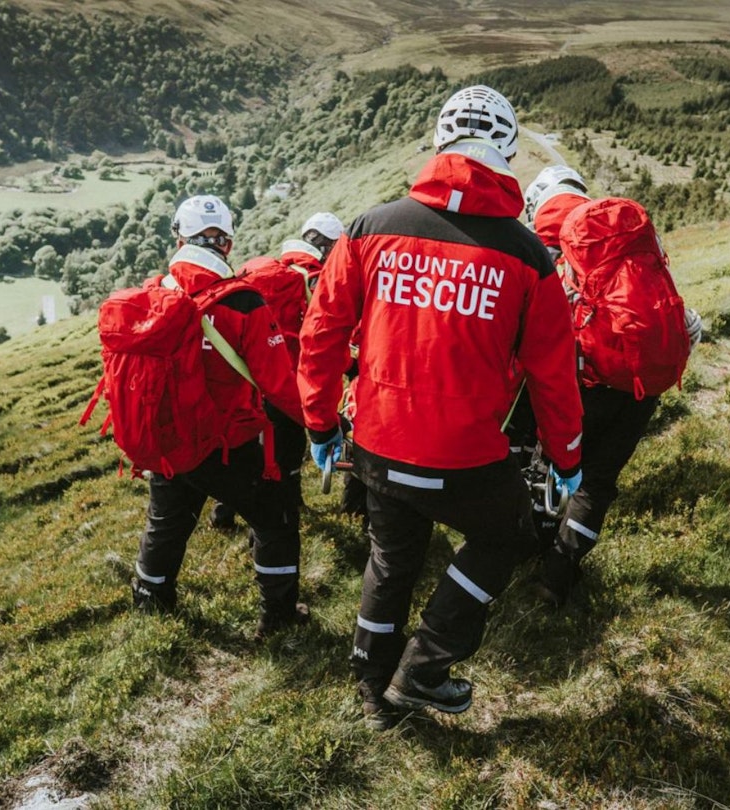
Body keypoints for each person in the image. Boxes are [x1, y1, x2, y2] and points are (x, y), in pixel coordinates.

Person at [297, 86, 584, 730]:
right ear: (508, 152)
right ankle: (423, 670)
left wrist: (319, 422)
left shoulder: (371, 226)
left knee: (391, 559)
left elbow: (321, 333)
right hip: (467, 454)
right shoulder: (528, 257)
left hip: (376, 443)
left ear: (438, 142)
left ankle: (374, 695)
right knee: (501, 537)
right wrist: (567, 457)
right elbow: (552, 374)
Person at [520, 166, 704, 607]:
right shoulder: (625, 232)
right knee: (598, 482)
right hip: (640, 381)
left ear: (537, 204)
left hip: (580, 380)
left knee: (550, 465)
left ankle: (537, 548)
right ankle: (558, 577)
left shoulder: (541, 243)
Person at [131, 194, 311, 640]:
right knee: (275, 517)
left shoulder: (156, 291)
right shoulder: (243, 302)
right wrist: (321, 423)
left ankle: (149, 600)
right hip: (222, 442)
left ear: (179, 238)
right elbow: (279, 386)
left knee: (168, 518)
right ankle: (279, 616)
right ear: (227, 244)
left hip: (169, 436)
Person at [209, 212, 346, 531]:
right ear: (328, 247)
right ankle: (285, 509)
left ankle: (224, 512)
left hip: (249, 374)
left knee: (249, 449)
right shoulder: (315, 279)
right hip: (290, 380)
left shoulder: (267, 269)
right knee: (288, 450)